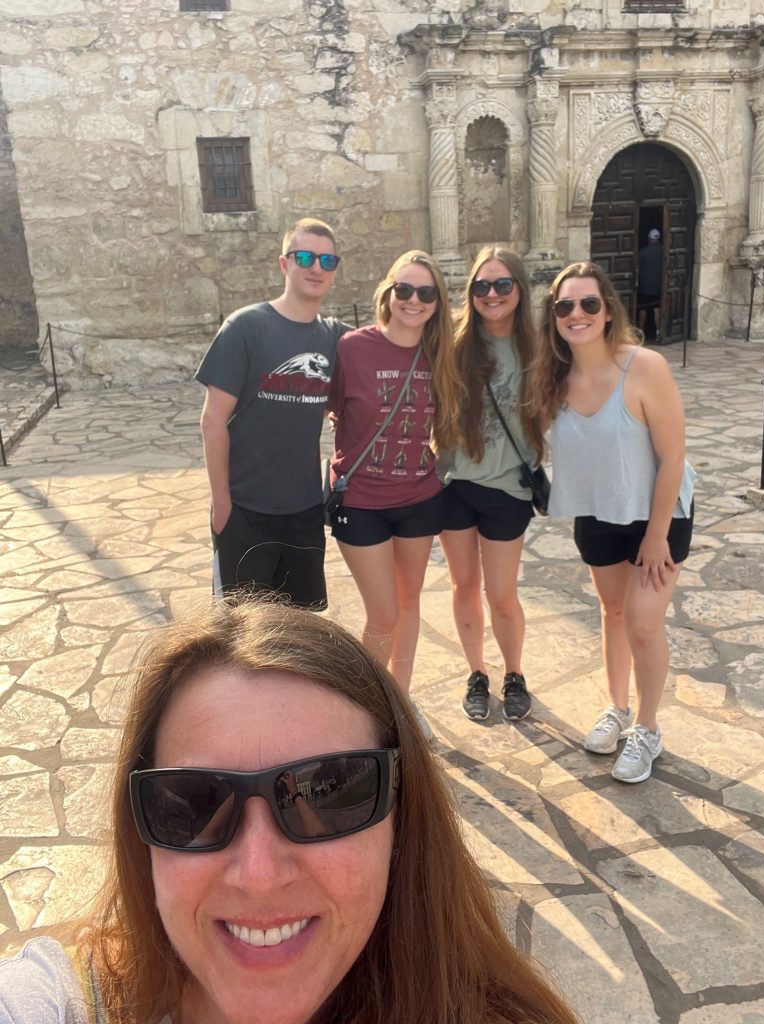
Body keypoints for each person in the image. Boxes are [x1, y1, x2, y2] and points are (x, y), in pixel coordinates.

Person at [0, 601, 581, 1024]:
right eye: (194, 802)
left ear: (404, 822)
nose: (259, 873)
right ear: (141, 834)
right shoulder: (59, 1000)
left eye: (327, 793)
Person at [530, 261, 695, 784]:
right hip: (598, 513)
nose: (576, 314)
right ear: (553, 316)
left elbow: (673, 457)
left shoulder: (644, 367)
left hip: (659, 515)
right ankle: (616, 708)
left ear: (607, 311)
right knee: (613, 611)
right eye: (564, 306)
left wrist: (655, 535)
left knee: (644, 622)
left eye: (588, 304)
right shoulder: (553, 379)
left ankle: (647, 728)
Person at [326, 251, 464, 691]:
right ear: (388, 293)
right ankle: (367, 702)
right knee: (382, 613)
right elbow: (331, 408)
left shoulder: (442, 355)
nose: (413, 300)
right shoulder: (352, 348)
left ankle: (400, 699)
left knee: (408, 603)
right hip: (361, 500)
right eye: (404, 289)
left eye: (426, 293)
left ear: (438, 303)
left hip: (418, 499)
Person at [196, 217, 350, 608]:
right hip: (245, 510)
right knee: (238, 636)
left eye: (327, 262)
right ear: (284, 264)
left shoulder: (337, 339)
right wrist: (223, 506)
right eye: (305, 257)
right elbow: (213, 421)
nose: (316, 268)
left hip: (303, 511)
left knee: (297, 632)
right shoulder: (246, 327)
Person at [438, 246, 540, 724]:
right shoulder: (454, 342)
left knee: (502, 592)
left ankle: (514, 673)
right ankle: (476, 671)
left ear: (519, 289)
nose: (492, 294)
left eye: (502, 285)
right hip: (454, 484)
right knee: (464, 585)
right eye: (482, 286)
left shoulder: (540, 347)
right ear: (471, 292)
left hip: (508, 488)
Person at [636, 228, 663, 341]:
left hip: (645, 285)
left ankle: (641, 334)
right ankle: (658, 333)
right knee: (657, 310)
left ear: (649, 238)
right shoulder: (664, 251)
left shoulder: (643, 251)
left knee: (643, 309)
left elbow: (637, 267)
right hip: (658, 286)